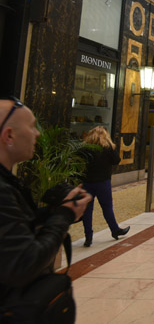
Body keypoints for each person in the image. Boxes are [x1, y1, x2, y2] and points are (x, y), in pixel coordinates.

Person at [0, 98, 92, 317]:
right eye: (32, 126)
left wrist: (54, 211)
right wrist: (64, 214)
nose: (38, 134)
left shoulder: (8, 183)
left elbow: (15, 230)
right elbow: (24, 263)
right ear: (9, 136)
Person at [81, 126, 130, 247]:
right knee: (107, 208)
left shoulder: (85, 148)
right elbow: (117, 161)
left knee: (87, 210)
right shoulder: (108, 147)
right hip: (103, 182)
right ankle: (115, 230)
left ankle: (88, 236)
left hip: (87, 182)